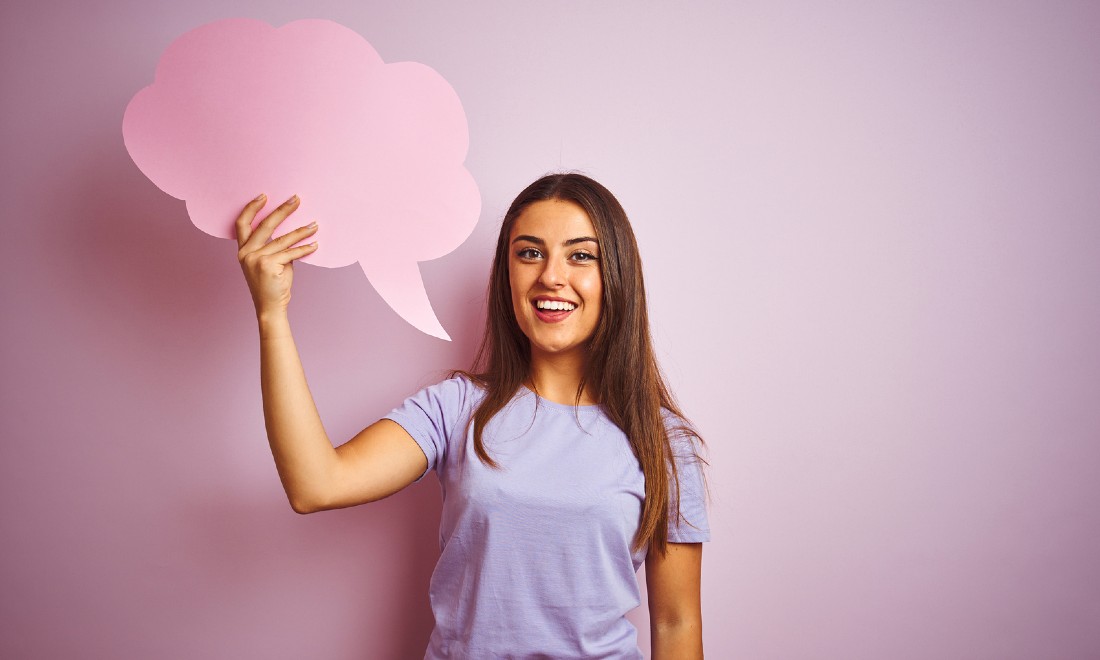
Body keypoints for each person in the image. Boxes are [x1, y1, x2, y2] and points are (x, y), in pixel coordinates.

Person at [235, 173, 709, 659]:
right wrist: (272, 316)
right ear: (507, 275)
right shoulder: (455, 409)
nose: (550, 275)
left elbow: (675, 623)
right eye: (529, 253)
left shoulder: (663, 443)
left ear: (617, 276)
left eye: (580, 255)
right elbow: (316, 484)